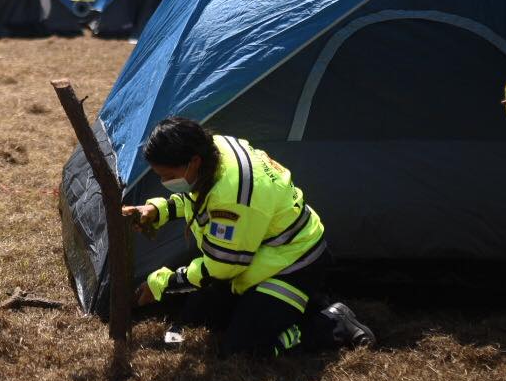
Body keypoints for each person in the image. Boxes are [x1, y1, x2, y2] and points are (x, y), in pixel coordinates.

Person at [121, 117, 374, 357]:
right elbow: (197, 199)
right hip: (260, 254)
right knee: (204, 315)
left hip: (293, 263)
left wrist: (162, 284)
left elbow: (220, 268)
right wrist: (158, 211)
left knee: (243, 348)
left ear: (193, 162)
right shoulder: (212, 149)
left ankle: (329, 324)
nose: (164, 182)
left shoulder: (233, 196)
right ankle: (299, 306)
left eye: (168, 176)